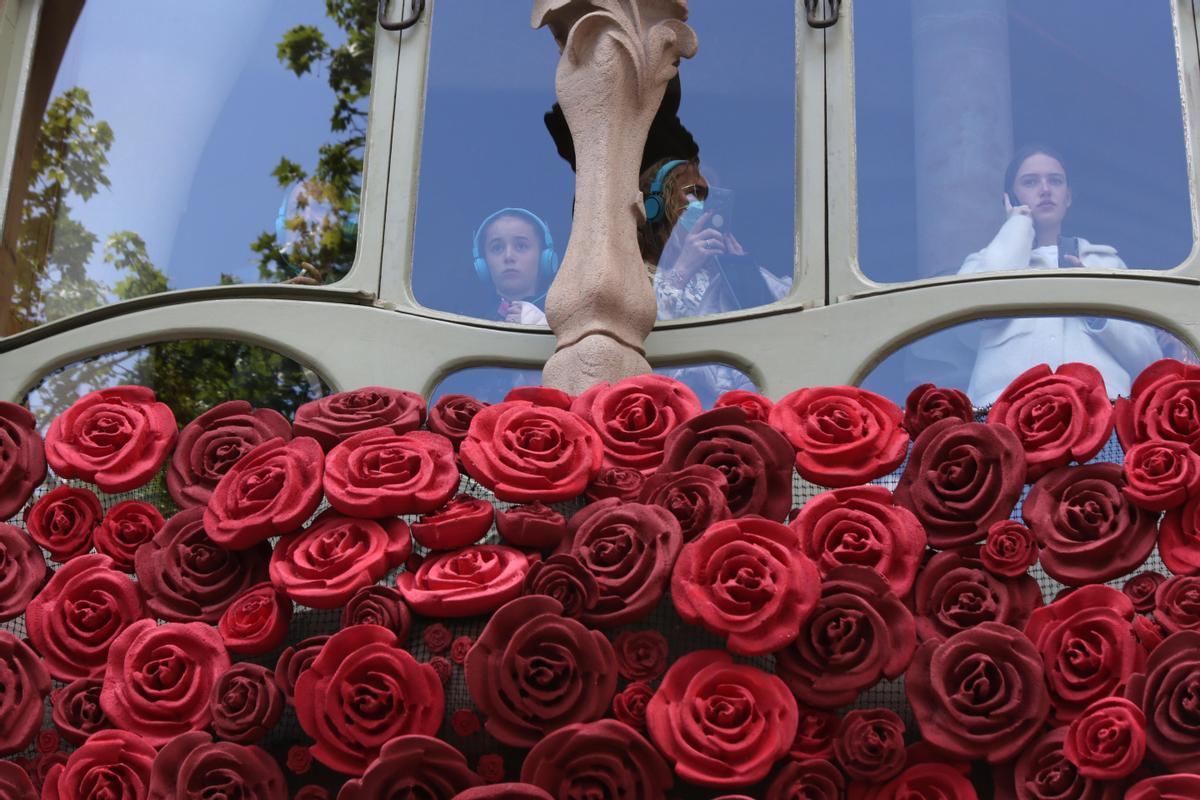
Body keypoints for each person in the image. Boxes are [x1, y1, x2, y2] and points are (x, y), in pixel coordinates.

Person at [958, 144, 1164, 405]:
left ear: (1067, 196)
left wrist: (1094, 304)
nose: (1045, 189)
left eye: (1055, 181)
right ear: (1009, 198)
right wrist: (1018, 224)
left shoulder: (1104, 262)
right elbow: (974, 317)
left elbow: (1148, 360)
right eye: (1031, 182)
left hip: (1100, 420)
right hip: (1004, 417)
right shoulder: (981, 263)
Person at [638, 158, 791, 320]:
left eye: (710, 198)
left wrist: (742, 272)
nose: (704, 205)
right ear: (658, 206)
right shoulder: (634, 272)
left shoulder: (714, 272)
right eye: (694, 193)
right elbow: (643, 328)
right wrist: (682, 270)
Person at [471, 207, 559, 325]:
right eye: (497, 248)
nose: (508, 257)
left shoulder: (565, 319)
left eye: (521, 246)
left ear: (544, 257)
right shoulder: (471, 321)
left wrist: (543, 325)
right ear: (483, 264)